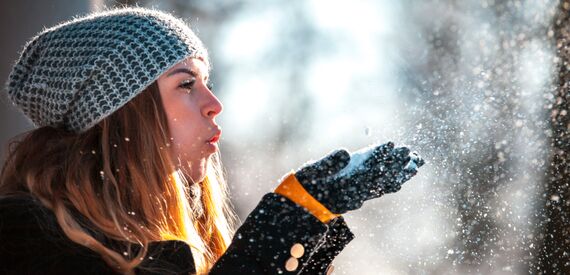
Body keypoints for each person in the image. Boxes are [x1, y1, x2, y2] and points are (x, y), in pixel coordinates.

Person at [0, 7, 424, 275]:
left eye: (207, 82)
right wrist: (286, 223)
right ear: (120, 108)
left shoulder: (167, 243)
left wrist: (311, 218)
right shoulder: (27, 238)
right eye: (186, 84)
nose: (214, 104)